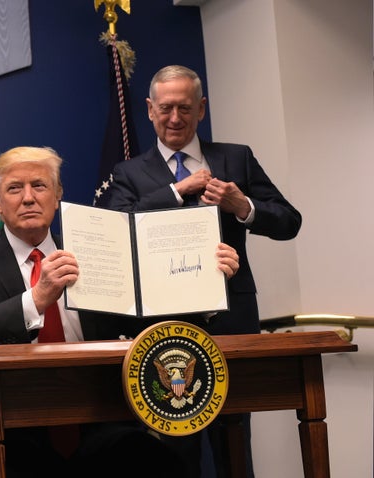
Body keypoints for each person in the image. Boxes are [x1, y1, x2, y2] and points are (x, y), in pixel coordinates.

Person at [0, 146, 241, 478]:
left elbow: (147, 318)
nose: (28, 198)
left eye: (39, 186)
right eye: (14, 188)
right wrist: (36, 299)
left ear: (58, 196)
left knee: (154, 458)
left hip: (95, 417)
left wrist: (207, 283)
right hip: (7, 423)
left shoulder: (97, 249)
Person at [106, 65, 303, 478]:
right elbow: (118, 229)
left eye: (184, 108)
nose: (174, 118)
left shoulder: (236, 157)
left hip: (232, 317)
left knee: (235, 438)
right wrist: (178, 191)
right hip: (165, 325)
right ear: (148, 109)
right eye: (165, 108)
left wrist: (242, 206)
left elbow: (289, 222)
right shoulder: (129, 173)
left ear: (202, 109)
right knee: (177, 446)